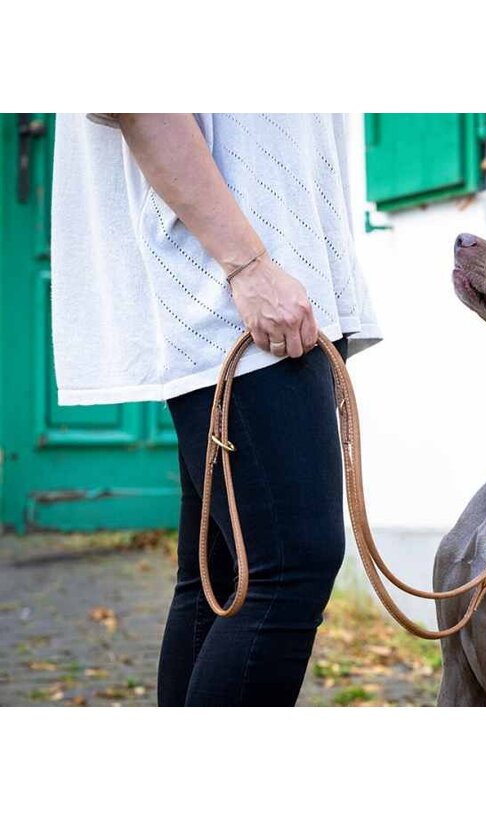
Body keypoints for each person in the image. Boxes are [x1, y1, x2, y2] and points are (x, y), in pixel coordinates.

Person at [50, 114, 381, 706]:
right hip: (238, 294)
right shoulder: (247, 275)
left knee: (223, 575)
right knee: (289, 565)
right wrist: (247, 265)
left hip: (261, 289)